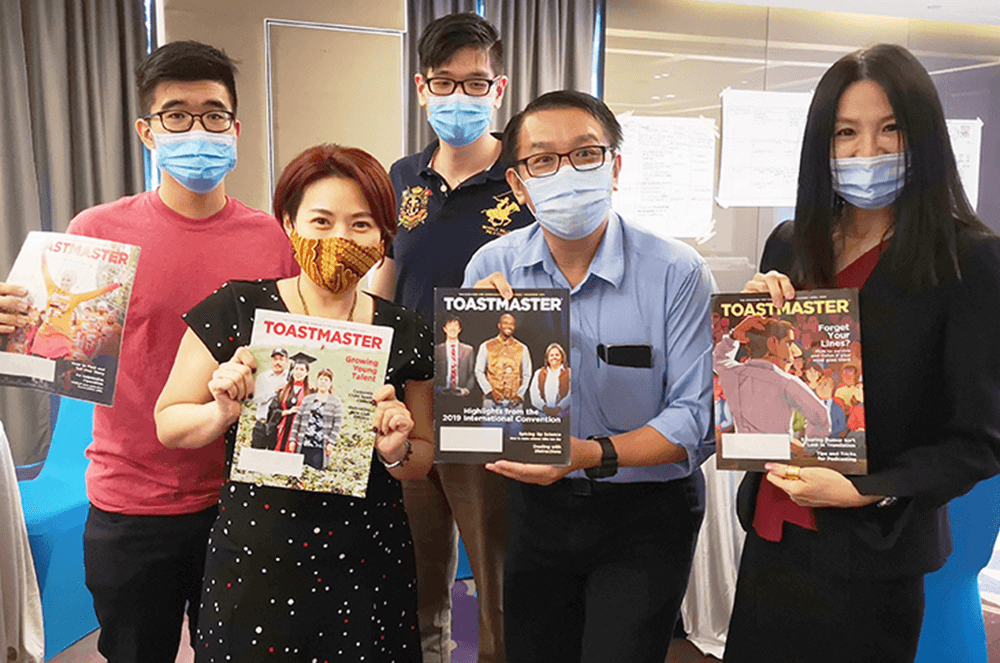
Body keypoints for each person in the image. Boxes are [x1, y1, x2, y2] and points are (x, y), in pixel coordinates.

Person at [0, 41, 300, 662]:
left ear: (236, 128)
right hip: (131, 499)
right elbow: (48, 352)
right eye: (177, 115)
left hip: (244, 497)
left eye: (214, 115)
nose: (199, 130)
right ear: (146, 130)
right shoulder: (95, 234)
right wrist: (12, 331)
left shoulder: (272, 239)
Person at [725, 44, 1000, 663]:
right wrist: (749, 325)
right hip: (772, 533)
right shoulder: (792, 243)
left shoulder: (969, 260)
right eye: (846, 133)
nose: (866, 153)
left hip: (872, 553)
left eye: (890, 130)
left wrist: (866, 489)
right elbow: (763, 393)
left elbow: (979, 441)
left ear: (923, 137)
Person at [155, 143, 435, 661]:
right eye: (321, 221)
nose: (339, 239)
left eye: (361, 224)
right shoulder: (237, 308)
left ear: (383, 237)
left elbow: (421, 458)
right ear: (288, 222)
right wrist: (222, 411)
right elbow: (169, 423)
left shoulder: (407, 330)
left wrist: (395, 449)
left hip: (369, 557)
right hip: (258, 554)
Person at [464, 89, 715, 663]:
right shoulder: (491, 267)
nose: (566, 172)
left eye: (585, 154)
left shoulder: (676, 271)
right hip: (536, 509)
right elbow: (479, 409)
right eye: (542, 160)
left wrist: (586, 454)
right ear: (519, 185)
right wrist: (470, 332)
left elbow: (692, 417)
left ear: (615, 167)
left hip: (646, 515)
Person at [368, 13, 533, 663]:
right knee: (413, 583)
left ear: (499, 90)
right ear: (421, 88)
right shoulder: (402, 175)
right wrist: (369, 365)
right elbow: (385, 274)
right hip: (407, 406)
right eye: (444, 82)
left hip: (489, 404)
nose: (458, 97)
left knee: (497, 588)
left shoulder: (526, 180)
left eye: (475, 83)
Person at [713, 314, 831, 441]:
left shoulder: (733, 374)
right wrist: (808, 450)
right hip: (779, 455)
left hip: (743, 453)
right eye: (788, 343)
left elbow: (718, 358)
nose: (795, 352)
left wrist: (733, 336)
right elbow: (821, 416)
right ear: (773, 343)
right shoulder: (786, 382)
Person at [30, 251, 120, 359]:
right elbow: (45, 271)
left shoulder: (75, 297)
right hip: (44, 334)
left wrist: (118, 284)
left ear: (72, 283)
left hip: (61, 337)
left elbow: (96, 293)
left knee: (55, 369)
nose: (65, 282)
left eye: (68, 280)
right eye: (63, 279)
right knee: (35, 363)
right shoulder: (52, 288)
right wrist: (43, 252)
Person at [288, 366, 344, 470]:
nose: (323, 382)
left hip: (320, 446)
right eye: (321, 379)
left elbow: (337, 424)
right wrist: (292, 440)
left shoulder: (335, 401)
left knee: (315, 472)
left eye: (326, 380)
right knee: (299, 471)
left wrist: (331, 442)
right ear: (317, 381)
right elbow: (297, 420)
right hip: (304, 443)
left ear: (330, 383)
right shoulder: (308, 399)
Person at [474, 312, 531, 408]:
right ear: (499, 325)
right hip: (491, 401)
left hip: (514, 402)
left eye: (512, 324)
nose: (509, 326)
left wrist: (520, 395)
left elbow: (527, 374)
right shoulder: (486, 346)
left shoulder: (522, 348)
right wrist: (490, 392)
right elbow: (479, 371)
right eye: (505, 323)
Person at [268, 351, 315, 453]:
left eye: (302, 369)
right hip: (280, 431)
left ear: (307, 373)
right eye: (296, 369)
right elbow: (272, 410)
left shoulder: (311, 392)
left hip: (298, 433)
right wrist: (287, 412)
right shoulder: (283, 390)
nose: (298, 372)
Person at [249, 347, 287, 449]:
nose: (277, 362)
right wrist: (275, 392)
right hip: (261, 425)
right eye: (275, 359)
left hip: (277, 428)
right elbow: (256, 399)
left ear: (286, 361)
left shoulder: (290, 378)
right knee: (255, 458)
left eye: (281, 359)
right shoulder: (263, 377)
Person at [435, 315, 475, 396]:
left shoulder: (468, 350)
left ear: (459, 329)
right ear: (444, 329)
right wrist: (436, 389)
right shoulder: (437, 350)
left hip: (461, 394)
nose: (453, 329)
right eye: (450, 326)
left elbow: (472, 374)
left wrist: (466, 390)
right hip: (441, 394)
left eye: (456, 326)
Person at [528, 342, 570, 418]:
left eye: (557, 355)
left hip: (563, 416)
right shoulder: (539, 373)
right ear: (547, 359)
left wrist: (559, 408)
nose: (554, 357)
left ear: (562, 357)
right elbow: (534, 394)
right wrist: (545, 408)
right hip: (543, 417)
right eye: (551, 355)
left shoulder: (570, 373)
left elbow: (572, 394)